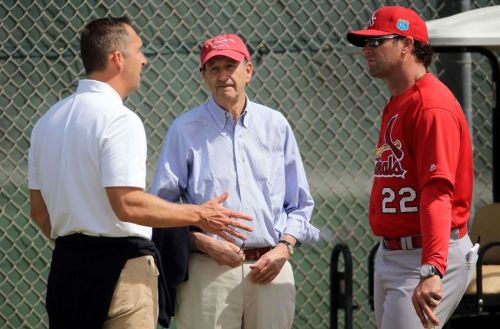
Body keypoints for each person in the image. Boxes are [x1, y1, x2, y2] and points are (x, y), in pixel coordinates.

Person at [27, 17, 252, 329]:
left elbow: (38, 212)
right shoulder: (120, 120)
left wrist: (79, 244)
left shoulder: (46, 122)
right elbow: (128, 204)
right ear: (118, 58)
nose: (144, 59)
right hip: (121, 269)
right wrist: (199, 215)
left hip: (67, 269)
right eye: (139, 50)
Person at [151, 33, 320, 329]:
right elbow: (162, 208)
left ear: (248, 71)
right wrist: (201, 242)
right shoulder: (184, 130)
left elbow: (300, 204)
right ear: (203, 76)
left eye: (230, 65)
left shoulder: (275, 125)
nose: (223, 75)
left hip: (271, 267)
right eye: (213, 68)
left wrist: (284, 248)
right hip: (207, 269)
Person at [346, 6, 478, 329]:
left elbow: (437, 193)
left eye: (377, 42)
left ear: (406, 45)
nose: (367, 49)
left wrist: (432, 268)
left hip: (425, 254)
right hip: (393, 253)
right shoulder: (398, 101)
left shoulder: (431, 107)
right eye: (366, 43)